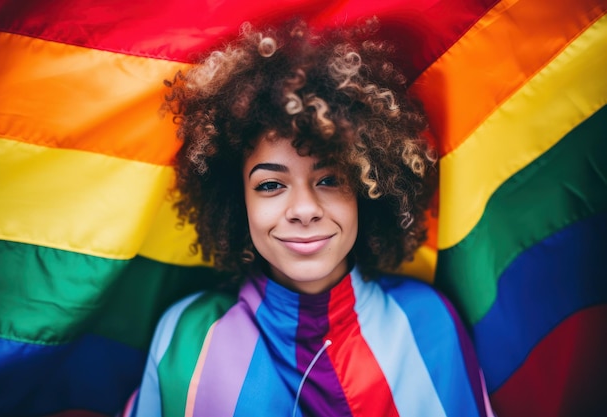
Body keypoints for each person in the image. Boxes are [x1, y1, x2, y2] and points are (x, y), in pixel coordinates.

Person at [122, 17, 494, 417]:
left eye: (330, 178)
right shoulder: (185, 334)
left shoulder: (429, 324)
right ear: (236, 200)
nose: (303, 209)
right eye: (269, 185)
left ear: (369, 190)